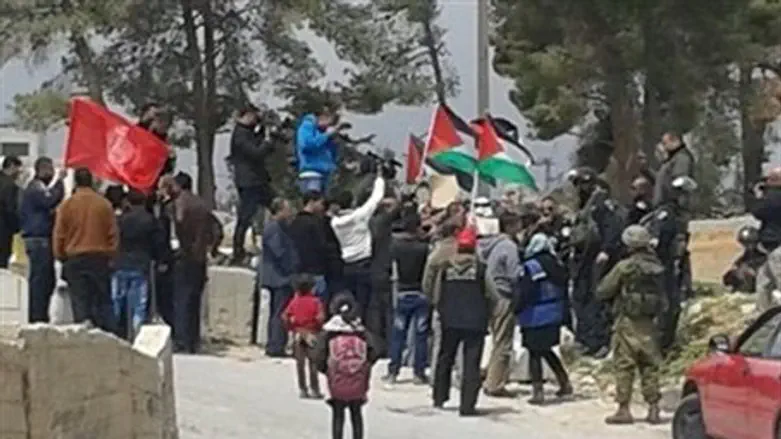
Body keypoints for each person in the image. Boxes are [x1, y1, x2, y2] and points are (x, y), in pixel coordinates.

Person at [596, 225, 666, 425]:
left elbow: (603, 290)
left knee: (624, 365)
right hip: (650, 322)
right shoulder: (657, 267)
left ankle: (624, 409)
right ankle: (653, 408)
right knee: (650, 365)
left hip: (627, 321)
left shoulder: (624, 267)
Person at [431, 227, 490, 416]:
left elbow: (436, 291)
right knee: (471, 364)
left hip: (449, 319)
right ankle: (467, 406)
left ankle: (439, 397)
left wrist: (439, 308)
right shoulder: (481, 268)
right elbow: (492, 293)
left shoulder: (446, 267)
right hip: (475, 321)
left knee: (445, 357)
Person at [53, 167, 118, 332]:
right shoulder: (104, 204)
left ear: (75, 182)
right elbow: (113, 234)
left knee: (80, 301)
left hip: (75, 258)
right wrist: (111, 254)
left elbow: (59, 234)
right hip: (100, 258)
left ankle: (83, 333)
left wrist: (60, 255)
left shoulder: (67, 205)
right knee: (103, 300)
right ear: (92, 181)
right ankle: (106, 335)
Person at [568, 167, 624, 357]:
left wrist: (606, 251)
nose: (580, 187)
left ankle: (599, 341)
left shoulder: (602, 203)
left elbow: (612, 228)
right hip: (582, 258)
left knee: (597, 299)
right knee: (580, 298)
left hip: (596, 259)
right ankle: (584, 340)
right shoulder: (582, 205)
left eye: (583, 183)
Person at [161, 172, 216, 353]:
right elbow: (217, 230)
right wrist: (210, 248)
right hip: (199, 258)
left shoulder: (176, 204)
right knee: (194, 301)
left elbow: (177, 224)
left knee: (181, 300)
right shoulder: (202, 205)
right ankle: (193, 341)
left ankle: (182, 340)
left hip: (182, 257)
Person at [516, 233, 573, 405]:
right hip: (554, 311)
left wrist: (516, 309)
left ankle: (538, 391)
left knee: (534, 352)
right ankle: (564, 381)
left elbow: (525, 293)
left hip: (534, 314)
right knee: (546, 349)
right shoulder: (558, 264)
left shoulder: (531, 267)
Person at [641, 175, 697, 351]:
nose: (689, 200)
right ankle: (657, 349)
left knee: (674, 308)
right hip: (662, 269)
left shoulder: (680, 217)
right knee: (664, 309)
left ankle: (667, 345)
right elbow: (655, 244)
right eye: (685, 195)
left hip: (674, 268)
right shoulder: (666, 216)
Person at [313, 292, 380, 439]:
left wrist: (328, 371)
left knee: (338, 415)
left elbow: (318, 357)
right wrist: (363, 368)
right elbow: (375, 352)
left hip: (337, 381)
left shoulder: (329, 332)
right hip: (357, 381)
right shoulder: (361, 331)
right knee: (356, 414)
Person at [477, 211, 522, 398]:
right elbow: (514, 274)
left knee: (494, 338)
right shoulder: (509, 246)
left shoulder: (488, 245)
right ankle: (495, 383)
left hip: (488, 294)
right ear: (511, 226)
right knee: (503, 341)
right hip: (503, 295)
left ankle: (488, 374)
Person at [113, 189, 167, 340]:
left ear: (127, 202)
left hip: (119, 264)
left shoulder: (120, 220)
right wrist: (161, 260)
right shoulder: (150, 220)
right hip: (141, 265)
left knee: (117, 302)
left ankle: (116, 334)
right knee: (139, 306)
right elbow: (159, 243)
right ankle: (137, 336)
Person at [331, 174, 386, 319]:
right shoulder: (359, 216)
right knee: (364, 304)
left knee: (349, 302)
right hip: (363, 264)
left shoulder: (335, 223)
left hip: (347, 265)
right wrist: (379, 178)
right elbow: (376, 198)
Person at [384, 211, 430, 384]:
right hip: (421, 293)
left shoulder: (396, 247)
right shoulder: (423, 248)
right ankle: (419, 372)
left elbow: (392, 270)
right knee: (420, 335)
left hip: (402, 292)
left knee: (398, 334)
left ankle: (393, 371)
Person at [228, 105, 275, 264]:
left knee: (276, 207)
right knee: (245, 216)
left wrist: (265, 132)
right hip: (249, 181)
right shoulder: (240, 135)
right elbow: (256, 153)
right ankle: (238, 251)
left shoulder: (249, 133)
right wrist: (267, 142)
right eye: (254, 117)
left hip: (259, 180)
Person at [19, 157, 64, 322]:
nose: (52, 173)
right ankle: (36, 316)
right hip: (39, 240)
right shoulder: (35, 188)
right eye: (49, 169)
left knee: (47, 280)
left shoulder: (36, 188)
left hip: (42, 240)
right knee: (40, 280)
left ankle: (41, 314)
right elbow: (50, 200)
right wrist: (60, 182)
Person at [289, 191, 342, 305]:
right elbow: (322, 245)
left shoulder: (294, 222)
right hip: (316, 271)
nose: (323, 206)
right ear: (312, 202)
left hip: (298, 271)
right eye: (320, 203)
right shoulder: (316, 223)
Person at [262, 197, 300, 357]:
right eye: (287, 208)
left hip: (281, 276)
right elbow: (279, 252)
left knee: (279, 311)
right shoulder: (274, 228)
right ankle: (275, 345)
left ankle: (277, 344)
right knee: (279, 312)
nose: (289, 211)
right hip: (279, 277)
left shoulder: (281, 227)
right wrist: (292, 267)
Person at [283, 274, 325, 399]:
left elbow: (285, 316)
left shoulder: (295, 301)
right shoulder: (316, 302)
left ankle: (302, 389)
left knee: (300, 363)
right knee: (313, 363)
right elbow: (320, 317)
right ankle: (315, 389)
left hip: (298, 334)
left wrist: (290, 327)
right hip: (312, 334)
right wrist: (318, 326)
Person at [751, 167, 781, 310]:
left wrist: (758, 196)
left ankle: (764, 313)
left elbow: (758, 212)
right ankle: (763, 317)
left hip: (776, 245)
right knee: (764, 283)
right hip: (772, 247)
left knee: (771, 283)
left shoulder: (774, 197)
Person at [295, 108, 345, 193]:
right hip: (312, 173)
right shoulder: (307, 126)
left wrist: (332, 141)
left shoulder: (320, 132)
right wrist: (326, 135)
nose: (330, 124)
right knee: (313, 200)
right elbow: (307, 145)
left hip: (324, 174)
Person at [653, 131, 695, 208]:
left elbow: (679, 181)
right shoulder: (672, 159)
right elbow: (663, 180)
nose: (664, 147)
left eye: (665, 143)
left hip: (673, 207)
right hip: (665, 206)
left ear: (675, 141)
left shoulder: (682, 158)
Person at [723, 226, 765, 293]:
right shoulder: (744, 257)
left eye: (750, 243)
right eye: (745, 243)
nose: (748, 246)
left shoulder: (764, 257)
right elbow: (728, 276)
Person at [0, 155, 22, 268]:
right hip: (3, 232)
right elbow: (10, 209)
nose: (19, 172)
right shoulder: (9, 185)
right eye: (18, 169)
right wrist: (16, 227)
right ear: (12, 166)